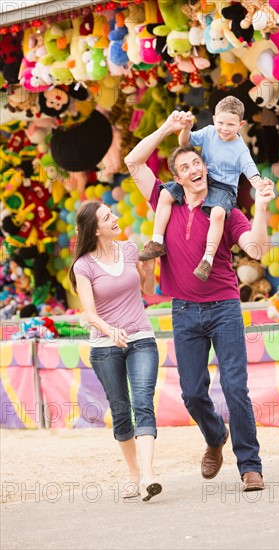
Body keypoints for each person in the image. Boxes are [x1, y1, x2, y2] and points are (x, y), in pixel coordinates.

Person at [125, 111, 275, 492]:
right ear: (176, 178)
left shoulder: (227, 210)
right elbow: (133, 161)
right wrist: (169, 129)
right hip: (184, 311)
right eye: (185, 165)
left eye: (198, 163)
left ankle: (249, 465)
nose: (194, 168)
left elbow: (257, 249)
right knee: (192, 392)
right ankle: (214, 437)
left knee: (235, 387)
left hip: (224, 307)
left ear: (205, 169)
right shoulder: (165, 200)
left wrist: (262, 205)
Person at [69, 200, 162, 502]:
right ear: (95, 229)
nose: (116, 218)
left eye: (113, 214)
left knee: (143, 402)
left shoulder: (130, 250)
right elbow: (90, 313)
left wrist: (149, 270)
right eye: (108, 217)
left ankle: (148, 475)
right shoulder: (83, 266)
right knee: (121, 411)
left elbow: (147, 290)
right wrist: (111, 331)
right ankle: (134, 473)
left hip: (141, 339)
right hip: (106, 347)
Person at [139, 97, 265, 282]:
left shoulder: (240, 150)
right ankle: (157, 241)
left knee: (218, 214)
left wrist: (260, 185)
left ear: (241, 125)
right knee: (165, 193)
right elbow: (185, 143)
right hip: (203, 178)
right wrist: (186, 128)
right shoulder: (209, 132)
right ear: (214, 120)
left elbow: (251, 172)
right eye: (221, 123)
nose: (224, 128)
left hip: (224, 188)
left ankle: (207, 259)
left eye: (231, 124)